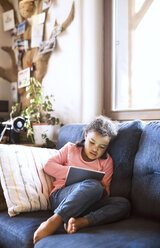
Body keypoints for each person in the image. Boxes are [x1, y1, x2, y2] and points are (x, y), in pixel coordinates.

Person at [33, 116, 130, 244]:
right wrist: (70, 172)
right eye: (92, 142)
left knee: (123, 204)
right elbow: (48, 166)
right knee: (93, 185)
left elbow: (106, 193)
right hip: (61, 198)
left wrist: (102, 189)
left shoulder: (107, 162)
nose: (95, 149)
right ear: (85, 135)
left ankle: (81, 222)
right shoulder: (70, 149)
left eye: (102, 147)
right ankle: (55, 220)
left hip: (87, 203)